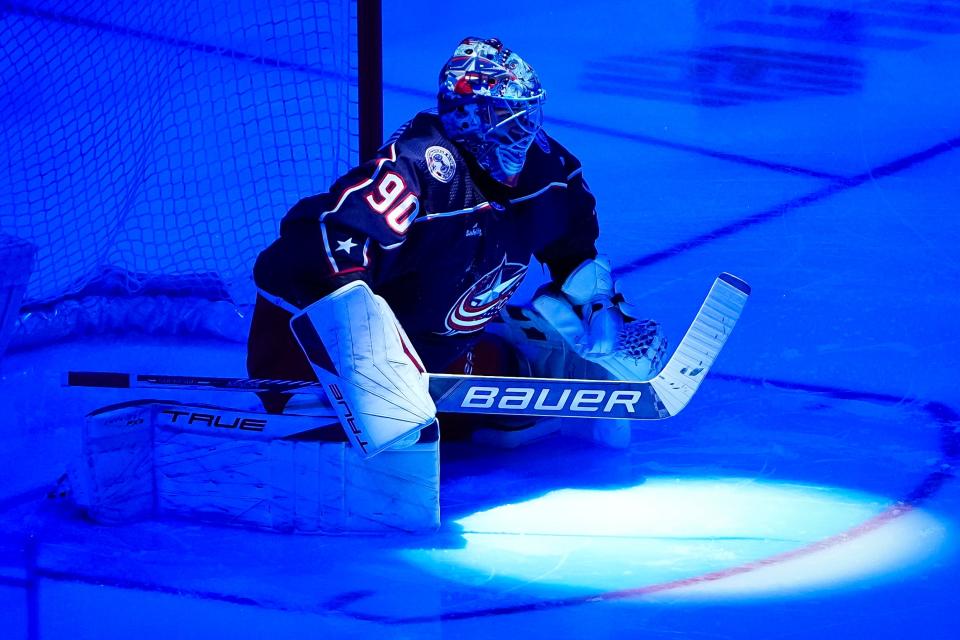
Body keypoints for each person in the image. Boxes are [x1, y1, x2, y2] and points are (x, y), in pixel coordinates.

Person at [247, 37, 666, 455]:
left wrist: (596, 304)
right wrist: (369, 354)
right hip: (307, 348)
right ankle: (328, 402)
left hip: (432, 351)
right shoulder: (420, 170)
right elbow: (323, 239)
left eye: (527, 116)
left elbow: (573, 233)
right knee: (343, 429)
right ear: (472, 120)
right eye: (510, 118)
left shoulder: (543, 168)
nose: (525, 131)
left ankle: (548, 351)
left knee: (513, 395)